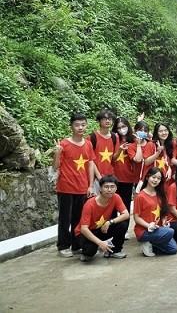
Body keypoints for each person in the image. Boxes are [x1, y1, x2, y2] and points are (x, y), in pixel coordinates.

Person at [54, 113, 96, 257]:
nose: (80, 128)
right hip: (65, 187)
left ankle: (75, 244)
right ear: (71, 126)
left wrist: (90, 185)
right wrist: (56, 153)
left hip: (82, 187)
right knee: (65, 218)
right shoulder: (64, 144)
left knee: (78, 218)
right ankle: (63, 246)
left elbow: (90, 164)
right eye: (77, 125)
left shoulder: (88, 144)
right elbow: (55, 166)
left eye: (83, 125)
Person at [76, 175, 129, 261]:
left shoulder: (116, 197)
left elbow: (126, 214)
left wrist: (109, 222)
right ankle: (90, 247)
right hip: (84, 233)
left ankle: (114, 251)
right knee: (90, 252)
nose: (109, 189)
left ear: (116, 188)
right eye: (106, 187)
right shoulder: (89, 204)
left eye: (112, 187)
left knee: (123, 224)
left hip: (101, 229)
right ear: (100, 189)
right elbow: (84, 229)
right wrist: (100, 243)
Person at [132, 167, 177, 256]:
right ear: (147, 177)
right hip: (144, 231)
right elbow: (136, 218)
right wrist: (148, 226)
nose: (156, 180)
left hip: (158, 229)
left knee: (173, 249)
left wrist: (164, 222)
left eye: (159, 178)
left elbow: (163, 213)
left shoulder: (160, 194)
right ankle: (146, 242)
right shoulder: (140, 196)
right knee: (170, 232)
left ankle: (151, 245)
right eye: (153, 177)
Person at [111, 117, 137, 214]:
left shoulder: (134, 140)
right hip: (114, 178)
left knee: (125, 206)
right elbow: (113, 158)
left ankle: (124, 228)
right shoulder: (114, 139)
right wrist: (121, 149)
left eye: (124, 126)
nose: (122, 129)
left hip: (128, 178)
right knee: (112, 206)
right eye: (119, 128)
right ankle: (112, 228)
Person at [90, 109, 117, 186]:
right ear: (99, 121)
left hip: (110, 176)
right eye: (104, 119)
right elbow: (90, 159)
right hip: (95, 177)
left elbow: (114, 158)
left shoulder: (114, 137)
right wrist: (98, 176)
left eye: (110, 119)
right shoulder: (92, 137)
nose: (107, 121)